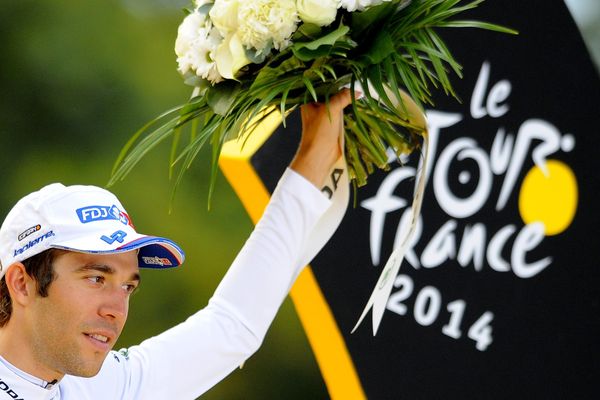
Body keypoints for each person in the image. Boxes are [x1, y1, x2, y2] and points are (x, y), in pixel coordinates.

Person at [0, 89, 353, 400]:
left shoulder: (103, 386)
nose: (116, 310)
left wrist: (313, 160)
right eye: (96, 278)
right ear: (21, 283)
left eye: (127, 287)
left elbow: (231, 328)